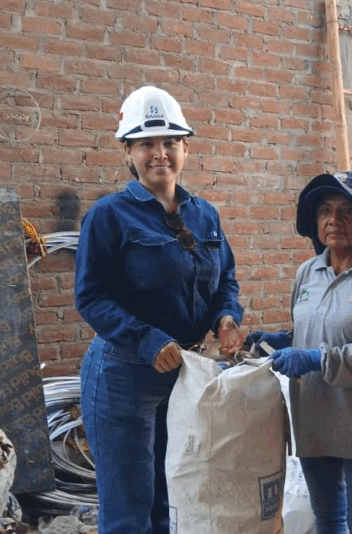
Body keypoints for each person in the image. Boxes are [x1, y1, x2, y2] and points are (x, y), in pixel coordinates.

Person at [75, 86, 245, 534]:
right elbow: (91, 297)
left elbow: (225, 280)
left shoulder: (205, 215)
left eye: (170, 142)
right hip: (123, 377)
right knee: (128, 511)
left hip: (183, 375)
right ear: (128, 152)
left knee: (172, 499)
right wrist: (147, 340)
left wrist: (226, 317)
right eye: (146, 143)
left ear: (186, 148)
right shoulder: (108, 216)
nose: (160, 154)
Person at [244, 171, 352, 534]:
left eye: (347, 211)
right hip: (315, 413)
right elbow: (315, 329)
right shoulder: (308, 272)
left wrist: (317, 359)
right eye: (325, 210)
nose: (334, 220)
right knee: (328, 519)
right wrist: (284, 340)